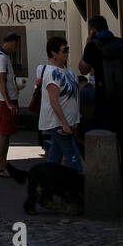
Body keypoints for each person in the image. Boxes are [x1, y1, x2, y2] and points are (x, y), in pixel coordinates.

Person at [79, 16, 123, 194]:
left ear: (93, 30)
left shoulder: (93, 46)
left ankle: (108, 183)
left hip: (105, 102)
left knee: (106, 141)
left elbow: (83, 69)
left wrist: (88, 43)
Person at [39, 35, 83, 173]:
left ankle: (47, 187)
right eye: (64, 50)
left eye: (67, 49)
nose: (67, 53)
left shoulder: (69, 72)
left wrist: (75, 120)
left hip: (68, 122)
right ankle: (77, 187)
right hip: (58, 124)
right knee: (73, 158)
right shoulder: (52, 73)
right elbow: (54, 100)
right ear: (54, 52)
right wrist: (64, 123)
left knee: (55, 158)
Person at [0, 32, 21, 177]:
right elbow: (1, 81)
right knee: (3, 134)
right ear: (11, 42)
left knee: (6, 133)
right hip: (3, 101)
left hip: (7, 99)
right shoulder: (1, 59)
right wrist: (8, 101)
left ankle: (3, 162)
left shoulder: (3, 57)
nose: (16, 48)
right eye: (16, 45)